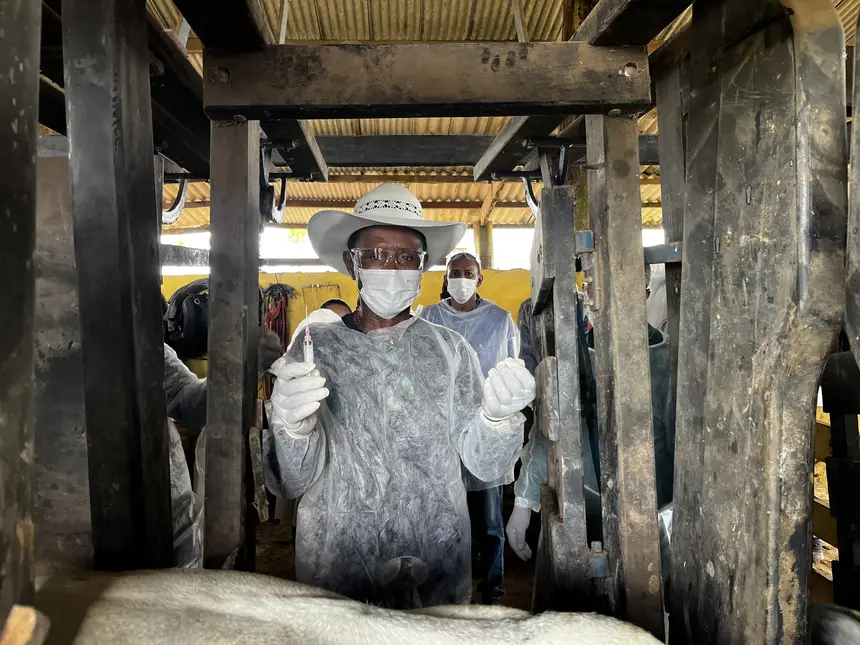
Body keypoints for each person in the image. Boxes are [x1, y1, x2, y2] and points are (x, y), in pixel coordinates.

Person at [263, 184, 535, 609]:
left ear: (423, 266)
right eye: (375, 254)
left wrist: (495, 422)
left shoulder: (450, 352)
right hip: (338, 560)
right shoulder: (314, 347)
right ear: (353, 264)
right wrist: (292, 431)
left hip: (437, 557)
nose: (391, 266)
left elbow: (484, 468)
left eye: (406, 256)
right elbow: (290, 482)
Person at [506, 266, 673, 562]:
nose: (608, 303)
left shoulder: (665, 357)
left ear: (646, 294)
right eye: (599, 292)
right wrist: (525, 496)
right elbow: (553, 428)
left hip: (657, 506)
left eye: (626, 291)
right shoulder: (579, 357)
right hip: (589, 502)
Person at [419, 252, 519, 605]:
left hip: (486, 429)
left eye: (468, 273)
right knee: (441, 516)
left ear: (479, 279)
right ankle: (445, 589)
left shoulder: (499, 321)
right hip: (440, 435)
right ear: (445, 279)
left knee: (490, 521)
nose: (460, 278)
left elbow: (512, 372)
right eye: (454, 273)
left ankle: (492, 590)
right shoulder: (426, 318)